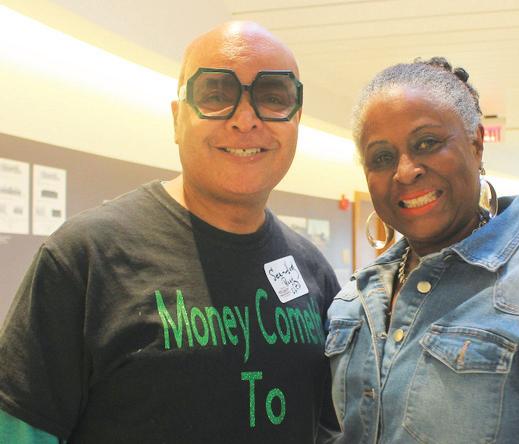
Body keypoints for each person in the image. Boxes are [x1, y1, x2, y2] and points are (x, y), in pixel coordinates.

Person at [0, 21, 340, 443]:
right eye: (216, 94)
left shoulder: (312, 270)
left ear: (296, 121)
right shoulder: (86, 258)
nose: (245, 119)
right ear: (178, 120)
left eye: (273, 97)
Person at [325, 57, 519, 443]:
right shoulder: (354, 301)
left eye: (427, 143)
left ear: (476, 144)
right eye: (382, 158)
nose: (405, 171)